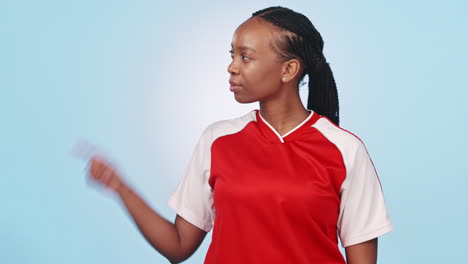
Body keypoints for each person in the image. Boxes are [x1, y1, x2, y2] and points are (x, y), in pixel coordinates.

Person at [87, 6, 394, 264]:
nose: (232, 67)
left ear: (288, 70)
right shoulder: (217, 140)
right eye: (232, 54)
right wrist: (119, 187)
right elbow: (178, 246)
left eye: (245, 57)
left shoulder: (345, 150)